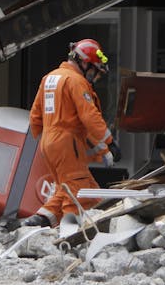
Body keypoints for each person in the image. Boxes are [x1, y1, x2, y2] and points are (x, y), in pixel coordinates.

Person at [22, 38, 121, 228]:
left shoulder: (49, 78)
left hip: (49, 142)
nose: (95, 77)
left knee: (85, 190)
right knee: (77, 191)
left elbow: (35, 117)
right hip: (67, 143)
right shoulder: (76, 81)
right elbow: (89, 116)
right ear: (84, 63)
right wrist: (109, 142)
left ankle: (39, 221)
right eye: (94, 70)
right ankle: (70, 235)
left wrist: (50, 138)